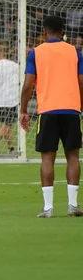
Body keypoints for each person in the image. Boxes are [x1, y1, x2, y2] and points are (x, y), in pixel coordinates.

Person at [20, 16, 83, 218]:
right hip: (72, 110)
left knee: (48, 158)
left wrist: (23, 111)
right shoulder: (75, 52)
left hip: (48, 110)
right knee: (73, 156)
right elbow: (82, 82)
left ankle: (48, 208)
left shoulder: (36, 53)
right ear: (63, 31)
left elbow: (28, 86)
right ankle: (73, 205)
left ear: (45, 31)